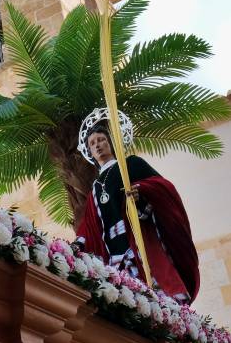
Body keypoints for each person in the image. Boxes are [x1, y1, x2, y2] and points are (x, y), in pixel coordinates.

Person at [74, 110, 200, 304]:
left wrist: (141, 191)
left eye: (101, 140)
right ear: (89, 152)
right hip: (115, 253)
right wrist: (79, 244)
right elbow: (89, 227)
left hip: (139, 240)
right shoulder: (95, 188)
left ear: (110, 143)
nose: (97, 145)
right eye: (92, 143)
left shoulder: (131, 165)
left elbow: (164, 187)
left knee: (154, 293)